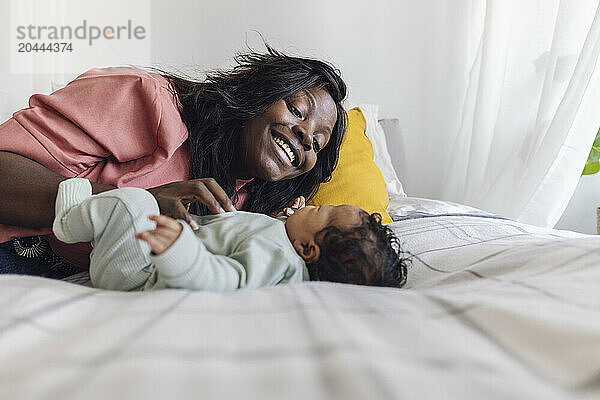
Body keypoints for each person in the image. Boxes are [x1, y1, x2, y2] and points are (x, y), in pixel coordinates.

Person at [0, 45, 347, 278]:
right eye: (297, 111)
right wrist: (140, 203)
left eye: (317, 142)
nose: (305, 137)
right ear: (258, 94)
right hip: (20, 250)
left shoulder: (251, 205)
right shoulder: (146, 99)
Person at [52, 178, 409, 290]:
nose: (316, 205)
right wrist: (273, 219)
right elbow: (240, 241)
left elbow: (227, 280)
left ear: (306, 248)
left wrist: (180, 251)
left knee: (133, 203)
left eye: (321, 212)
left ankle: (67, 223)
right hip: (145, 262)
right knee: (135, 206)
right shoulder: (279, 244)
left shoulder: (279, 258)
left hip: (139, 279)